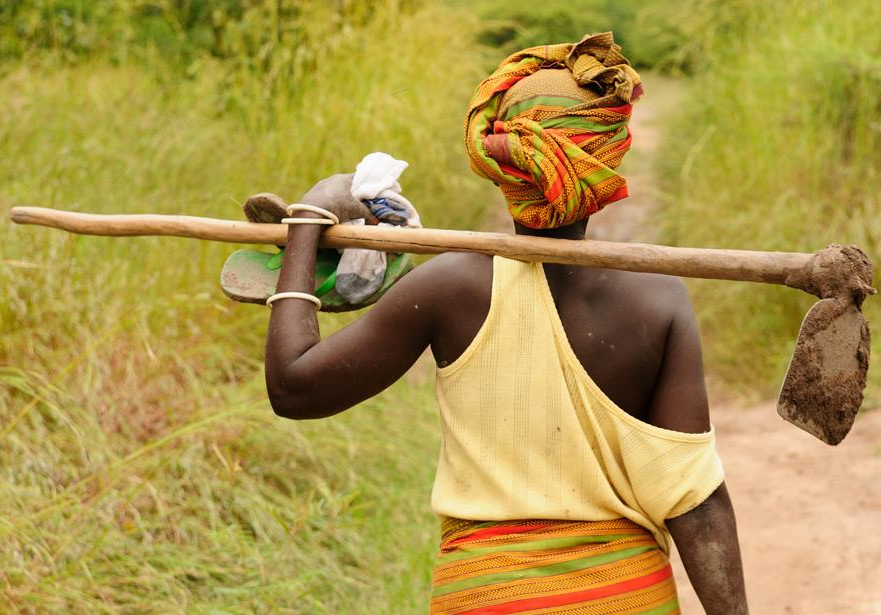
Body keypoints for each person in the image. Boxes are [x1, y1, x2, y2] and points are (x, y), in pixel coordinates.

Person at [262, 32, 748, 615]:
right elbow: (694, 498)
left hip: (486, 595)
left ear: (499, 166)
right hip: (624, 596)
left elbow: (294, 388)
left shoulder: (448, 287)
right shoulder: (659, 301)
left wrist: (307, 221)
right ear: (608, 159)